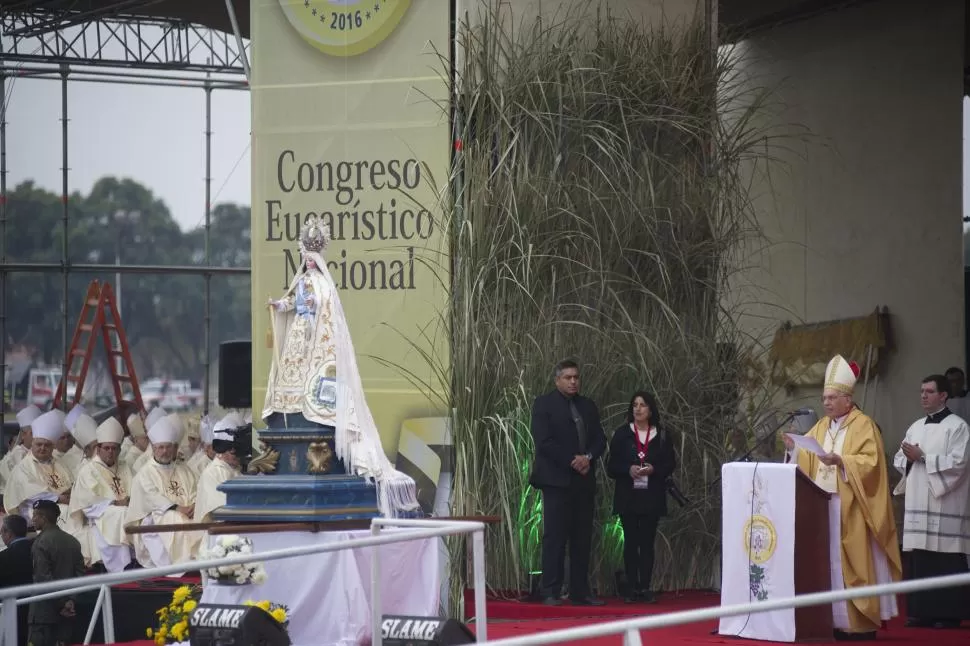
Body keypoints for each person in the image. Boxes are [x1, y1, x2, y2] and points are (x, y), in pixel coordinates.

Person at [262, 213, 418, 518]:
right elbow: (293, 302)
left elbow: (319, 306)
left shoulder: (322, 283)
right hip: (299, 336)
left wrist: (308, 307)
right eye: (304, 257)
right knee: (292, 370)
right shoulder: (304, 280)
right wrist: (280, 305)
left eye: (311, 257)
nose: (307, 262)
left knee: (311, 371)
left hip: (314, 338)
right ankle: (289, 402)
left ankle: (309, 400)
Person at [783, 354, 901, 640]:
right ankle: (834, 621)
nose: (826, 403)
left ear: (848, 399)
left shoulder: (864, 425)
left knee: (853, 561)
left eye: (832, 398)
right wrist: (794, 449)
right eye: (824, 398)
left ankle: (859, 623)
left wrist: (842, 462)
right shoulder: (822, 426)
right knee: (829, 564)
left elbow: (872, 464)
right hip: (823, 506)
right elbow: (808, 456)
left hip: (852, 505)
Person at [892, 374, 970, 628]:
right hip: (919, 501)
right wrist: (910, 459)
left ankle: (949, 614)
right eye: (921, 391)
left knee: (945, 557)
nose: (923, 395)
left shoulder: (958, 427)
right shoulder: (915, 427)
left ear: (943, 395)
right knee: (921, 558)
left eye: (929, 391)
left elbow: (960, 462)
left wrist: (924, 457)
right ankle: (922, 612)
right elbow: (899, 459)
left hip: (944, 503)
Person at [529, 359, 607, 606]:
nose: (573, 381)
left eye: (576, 377)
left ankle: (580, 591)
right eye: (568, 377)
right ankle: (550, 589)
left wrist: (588, 458)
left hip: (583, 481)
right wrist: (572, 460)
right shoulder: (544, 404)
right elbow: (544, 442)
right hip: (556, 481)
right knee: (555, 536)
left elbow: (599, 439)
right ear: (557, 380)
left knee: (582, 536)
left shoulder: (587, 405)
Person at [607, 391, 677, 604]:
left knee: (647, 542)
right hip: (628, 495)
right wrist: (628, 469)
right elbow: (611, 466)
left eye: (643, 405)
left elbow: (670, 464)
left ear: (650, 409)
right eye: (635, 405)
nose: (638, 409)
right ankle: (630, 587)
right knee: (630, 541)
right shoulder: (622, 434)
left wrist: (654, 469)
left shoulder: (662, 435)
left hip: (651, 495)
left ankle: (645, 586)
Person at [125, 415, 203, 568]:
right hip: (155, 517)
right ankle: (181, 565)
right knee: (175, 518)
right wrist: (177, 508)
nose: (165, 451)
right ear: (153, 448)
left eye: (168, 447)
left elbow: (194, 490)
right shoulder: (145, 473)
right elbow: (152, 498)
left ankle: (197, 561)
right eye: (160, 447)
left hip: (186, 511)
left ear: (174, 448)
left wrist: (193, 505)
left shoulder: (184, 469)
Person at [69, 416, 133, 573]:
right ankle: (124, 566)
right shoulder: (89, 470)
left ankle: (135, 560)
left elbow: (136, 489)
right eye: (107, 448)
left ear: (119, 449)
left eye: (114, 448)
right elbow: (88, 505)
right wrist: (116, 503)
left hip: (123, 511)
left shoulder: (125, 467)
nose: (111, 452)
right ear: (98, 449)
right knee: (122, 513)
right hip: (101, 517)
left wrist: (131, 500)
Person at [4, 410, 75, 528]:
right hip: (34, 511)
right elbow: (32, 494)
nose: (42, 448)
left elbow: (71, 484)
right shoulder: (23, 467)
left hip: (62, 505)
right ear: (32, 444)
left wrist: (69, 492)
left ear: (53, 447)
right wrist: (58, 498)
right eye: (39, 444)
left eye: (47, 445)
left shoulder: (60, 464)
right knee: (67, 512)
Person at [28, 500, 85, 646]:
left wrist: (61, 604)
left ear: (44, 518)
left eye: (35, 515)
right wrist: (70, 601)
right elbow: (80, 576)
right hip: (66, 615)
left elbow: (43, 578)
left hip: (43, 614)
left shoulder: (40, 542)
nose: (32, 519)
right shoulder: (73, 542)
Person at [194, 413, 244, 522]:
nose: (238, 456)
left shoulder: (236, 469)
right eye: (232, 452)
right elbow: (223, 508)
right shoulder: (213, 473)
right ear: (223, 451)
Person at [0, 514, 33, 646]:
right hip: (36, 609)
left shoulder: (3, 557)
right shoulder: (36, 549)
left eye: (1, 532)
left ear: (8, 533)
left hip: (9, 613)